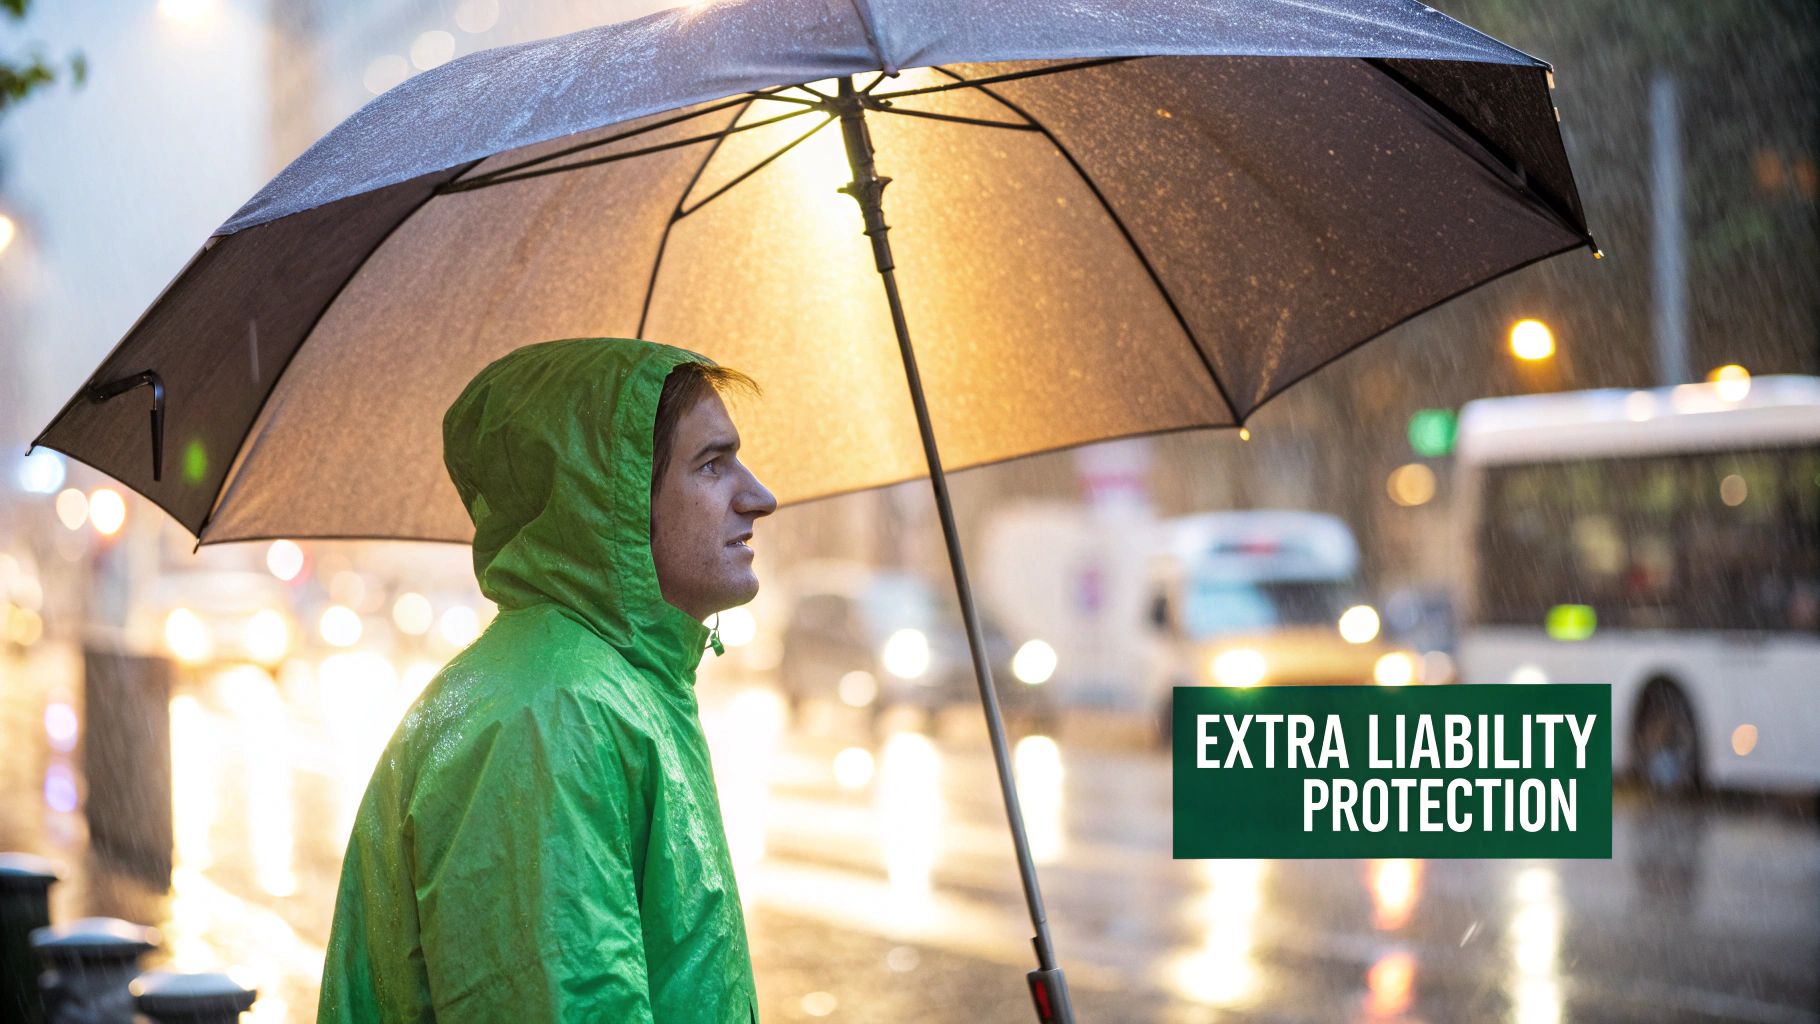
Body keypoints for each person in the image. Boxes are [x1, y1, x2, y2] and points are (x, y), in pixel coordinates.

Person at [317, 336, 777, 1023]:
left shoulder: (613, 687)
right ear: (611, 497)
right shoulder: (552, 715)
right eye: (712, 465)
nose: (758, 497)